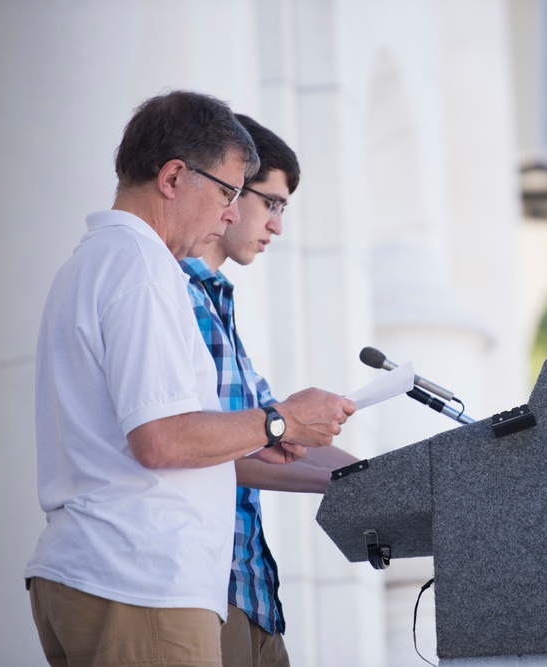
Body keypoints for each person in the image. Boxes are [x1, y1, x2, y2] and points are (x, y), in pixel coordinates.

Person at [24, 91, 356, 667]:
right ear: (174, 177)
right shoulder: (142, 266)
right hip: (141, 580)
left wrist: (264, 433)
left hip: (105, 575)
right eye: (229, 192)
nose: (232, 213)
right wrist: (279, 421)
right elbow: (161, 440)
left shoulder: (95, 260)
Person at [179, 114, 358, 667]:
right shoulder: (170, 295)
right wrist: (346, 487)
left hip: (253, 591)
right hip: (204, 590)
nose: (277, 226)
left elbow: (285, 433)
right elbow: (194, 448)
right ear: (228, 188)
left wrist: (388, 478)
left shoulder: (217, 304)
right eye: (271, 203)